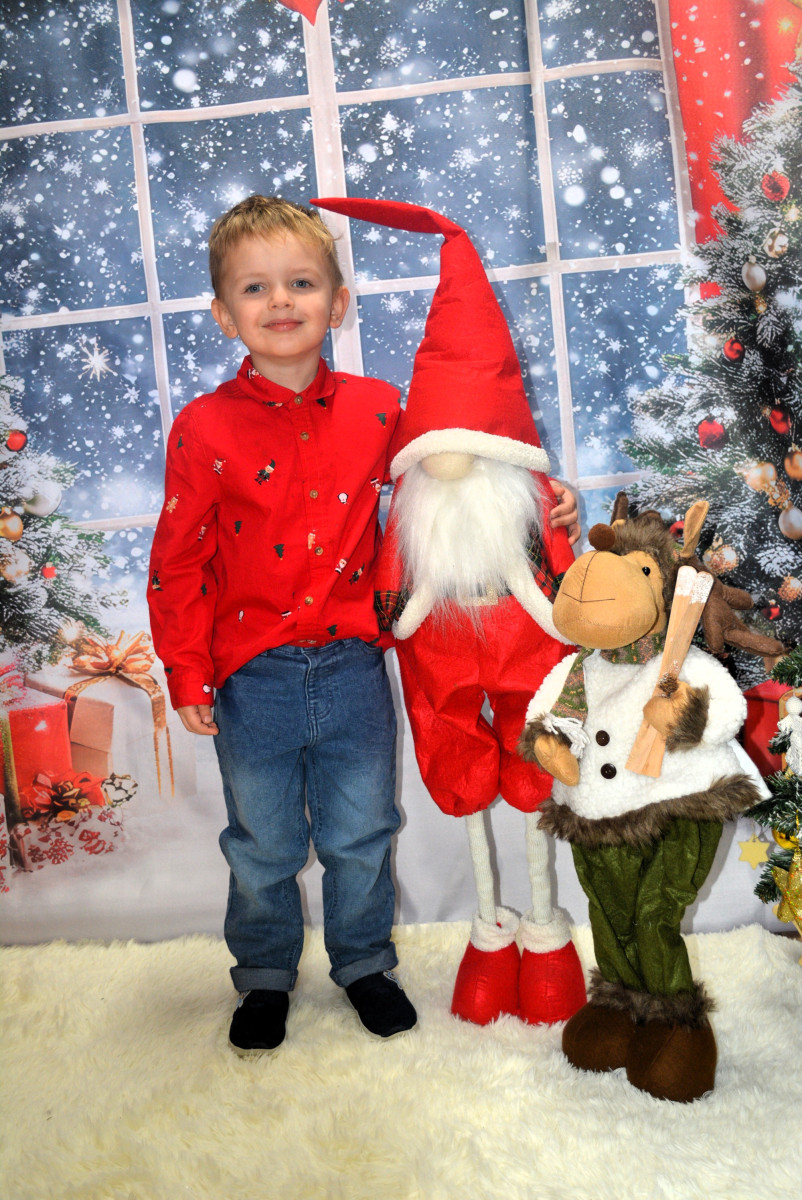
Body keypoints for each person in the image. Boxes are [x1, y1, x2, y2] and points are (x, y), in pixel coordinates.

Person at [148, 194, 578, 1054]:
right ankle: (264, 975)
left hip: (353, 670)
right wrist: (186, 671)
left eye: (301, 283)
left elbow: (455, 466)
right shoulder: (203, 427)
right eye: (255, 288)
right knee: (262, 843)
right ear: (224, 313)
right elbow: (178, 560)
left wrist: (546, 496)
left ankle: (364, 964)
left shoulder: (381, 409)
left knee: (361, 833)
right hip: (253, 677)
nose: (280, 301)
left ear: (338, 302)